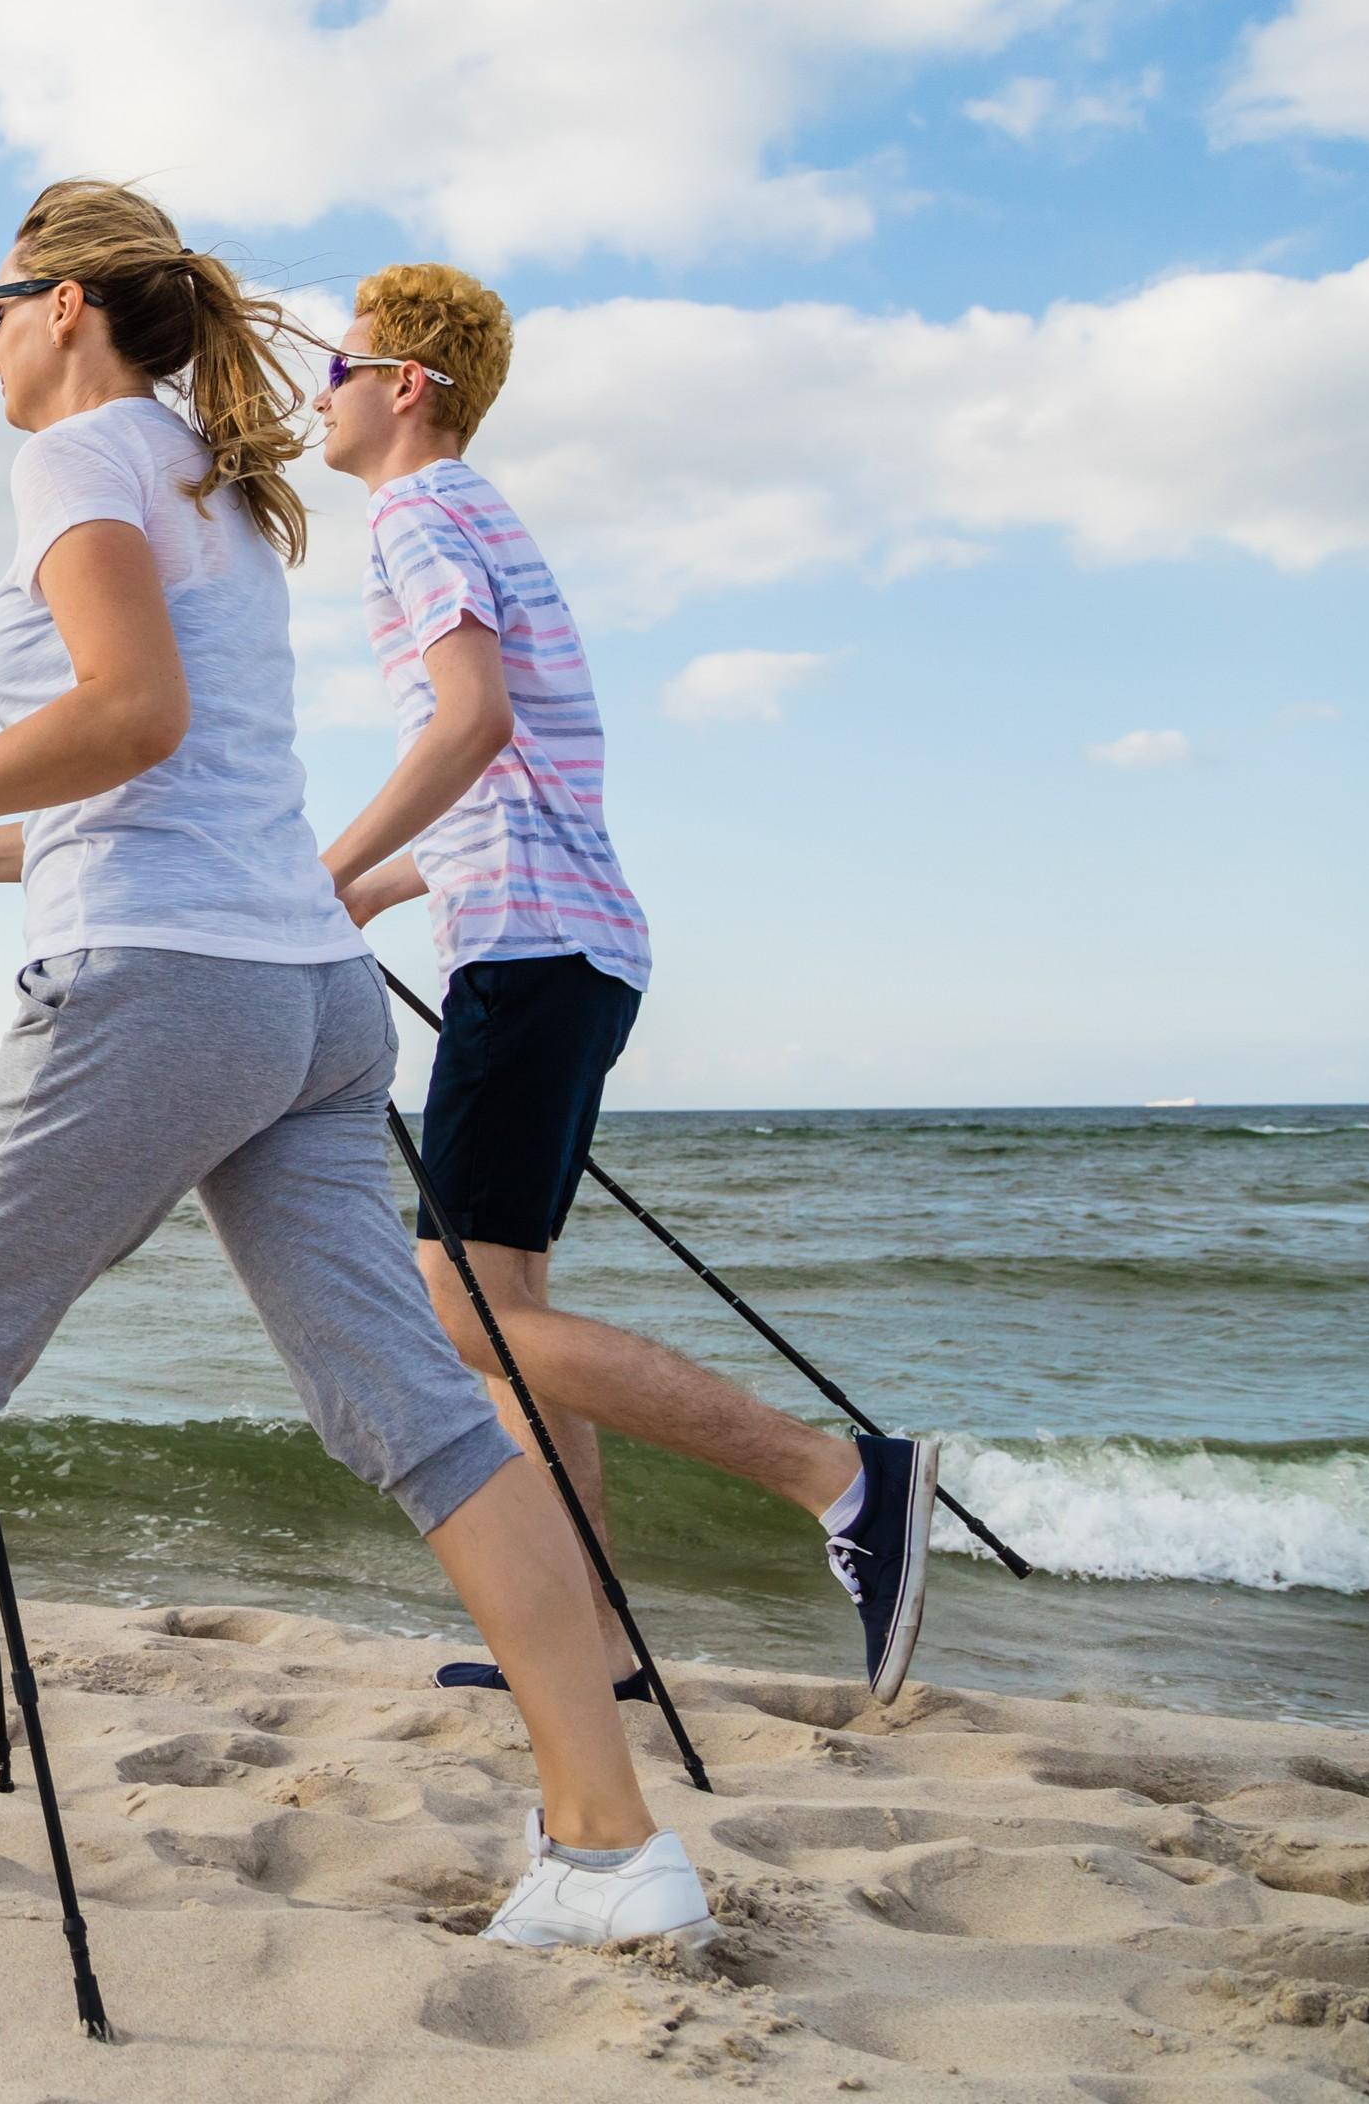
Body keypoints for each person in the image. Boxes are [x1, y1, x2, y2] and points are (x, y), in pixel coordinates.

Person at [0, 180, 711, 1951]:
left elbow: (134, 716)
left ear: (72, 308)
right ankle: (608, 1847)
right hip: (309, 995)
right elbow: (177, 774)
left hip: (166, 984)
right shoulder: (215, 483)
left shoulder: (85, 461)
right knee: (410, 1405)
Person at [308, 262, 932, 1703]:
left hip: (534, 953)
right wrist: (370, 884)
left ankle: (843, 1481)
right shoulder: (475, 514)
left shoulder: (418, 509)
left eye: (338, 369)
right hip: (560, 938)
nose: (315, 394)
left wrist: (321, 865)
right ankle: (591, 1646)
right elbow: (498, 789)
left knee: (460, 1315)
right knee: (508, 1307)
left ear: (406, 387)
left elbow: (472, 723)